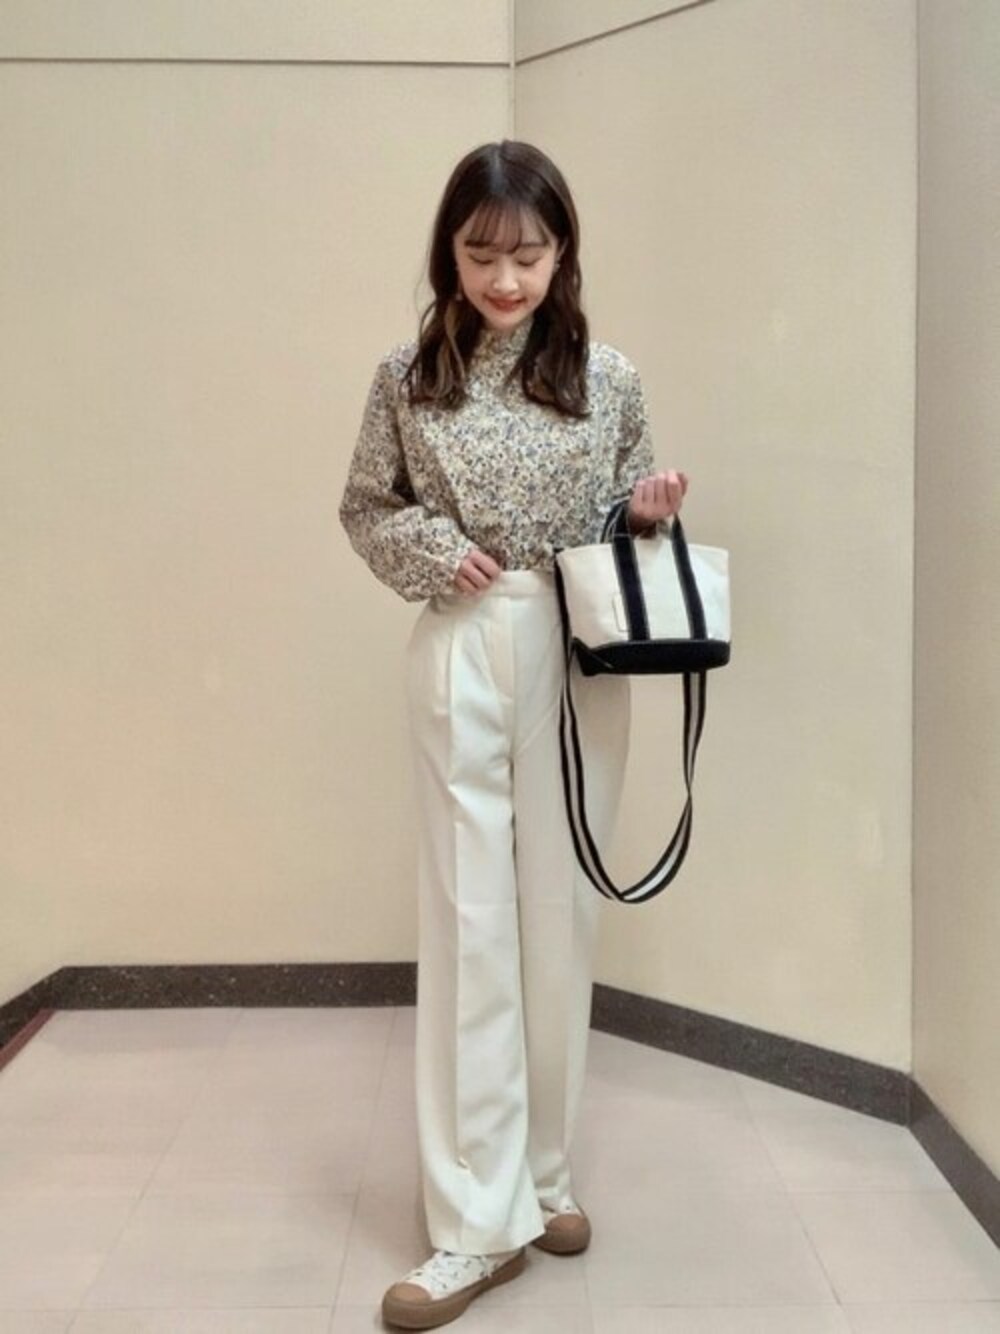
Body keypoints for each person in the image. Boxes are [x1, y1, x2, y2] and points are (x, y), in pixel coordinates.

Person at [339, 139, 687, 1331]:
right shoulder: (406, 377)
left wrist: (646, 513)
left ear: (562, 252)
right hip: (460, 640)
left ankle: (541, 1176)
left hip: (576, 647)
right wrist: (435, 551)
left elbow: (625, 523)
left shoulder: (608, 375)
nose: (504, 278)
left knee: (559, 916)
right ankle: (471, 1223)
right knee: (470, 920)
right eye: (481, 252)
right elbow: (366, 505)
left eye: (528, 254)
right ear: (448, 249)